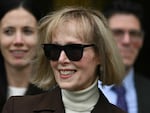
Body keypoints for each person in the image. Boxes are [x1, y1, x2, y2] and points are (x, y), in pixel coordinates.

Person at [2, 6, 127, 113]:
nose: (61, 59)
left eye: (74, 50)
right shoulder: (18, 108)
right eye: (54, 50)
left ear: (100, 54)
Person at [98, 0, 150, 113]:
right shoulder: (78, 90)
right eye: (118, 33)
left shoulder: (147, 91)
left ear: (142, 40)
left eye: (134, 34)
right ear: (102, 39)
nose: (127, 41)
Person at [0, 0, 48, 112]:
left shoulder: (58, 95)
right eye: (8, 31)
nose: (18, 41)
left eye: (27, 31)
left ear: (41, 36)